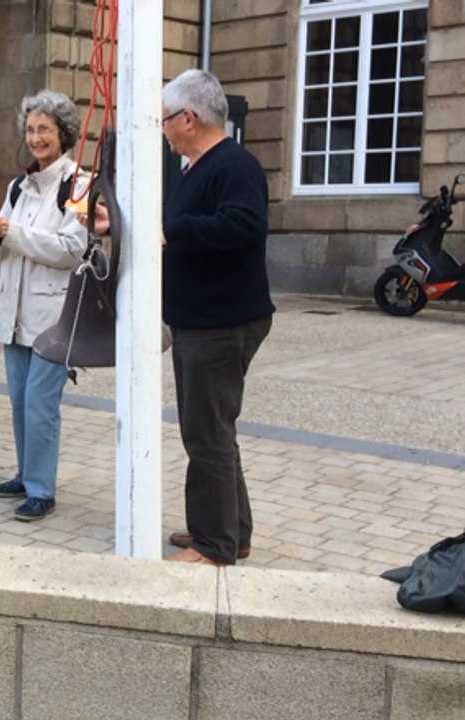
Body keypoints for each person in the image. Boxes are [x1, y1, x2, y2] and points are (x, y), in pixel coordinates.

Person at [159, 69, 274, 566]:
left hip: (221, 323)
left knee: (206, 434)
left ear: (188, 118)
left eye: (164, 120)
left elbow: (245, 224)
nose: (161, 130)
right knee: (213, 430)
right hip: (201, 318)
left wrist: (176, 231)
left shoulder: (233, 165)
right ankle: (231, 530)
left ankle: (216, 546)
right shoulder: (195, 168)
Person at [0, 91, 89, 521]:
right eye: (30, 129)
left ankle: (42, 489)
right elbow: (0, 256)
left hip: (51, 316)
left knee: (42, 403)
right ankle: (26, 474)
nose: (36, 138)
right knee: (21, 400)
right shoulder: (18, 186)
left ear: (63, 134)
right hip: (14, 312)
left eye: (44, 129)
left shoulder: (78, 183)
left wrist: (14, 233)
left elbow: (70, 249)